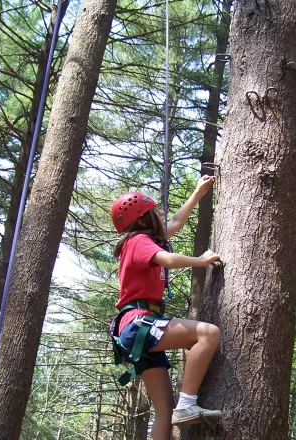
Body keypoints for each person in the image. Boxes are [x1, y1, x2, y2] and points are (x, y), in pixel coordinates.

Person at [110, 175, 222, 440]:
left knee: (163, 413)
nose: (161, 214)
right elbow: (168, 259)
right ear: (142, 218)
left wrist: (197, 192)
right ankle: (187, 404)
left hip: (135, 329)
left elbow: (176, 222)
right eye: (154, 211)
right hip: (139, 322)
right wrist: (200, 260)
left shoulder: (144, 240)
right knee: (208, 333)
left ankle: (180, 408)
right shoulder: (138, 242)